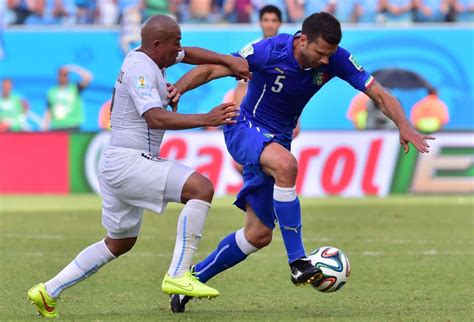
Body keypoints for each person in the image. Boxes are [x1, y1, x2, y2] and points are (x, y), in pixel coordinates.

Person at [170, 12, 435, 312]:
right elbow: (214, 69)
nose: (325, 61)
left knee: (257, 235)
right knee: (287, 166)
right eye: (321, 54)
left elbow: (378, 93)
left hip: (278, 139)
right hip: (244, 126)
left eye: (330, 55)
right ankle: (297, 262)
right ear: (302, 40)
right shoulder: (268, 51)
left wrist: (404, 124)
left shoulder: (335, 59)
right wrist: (179, 88)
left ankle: (189, 281)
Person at [27, 14, 249, 318]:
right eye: (176, 43)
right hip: (129, 161)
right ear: (158, 45)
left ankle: (48, 290)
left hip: (118, 162)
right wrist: (206, 119)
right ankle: (179, 273)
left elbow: (192, 54)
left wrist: (229, 60)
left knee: (120, 242)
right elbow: (155, 118)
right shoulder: (141, 70)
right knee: (201, 188)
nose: (179, 49)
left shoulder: (149, 56)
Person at [43, 64, 93, 131]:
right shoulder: (51, 92)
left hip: (74, 126)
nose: (63, 77)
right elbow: (48, 111)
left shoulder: (75, 88)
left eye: (65, 75)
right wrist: (45, 128)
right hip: (57, 127)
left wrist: (72, 68)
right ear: (57, 76)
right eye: (61, 75)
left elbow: (88, 77)